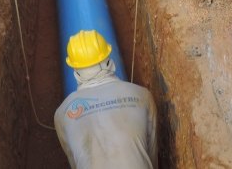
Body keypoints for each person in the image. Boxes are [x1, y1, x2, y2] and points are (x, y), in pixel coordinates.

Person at [55, 30, 157, 169]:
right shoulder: (142, 95)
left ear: (76, 72)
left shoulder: (62, 113)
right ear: (110, 62)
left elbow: (74, 161)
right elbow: (152, 152)